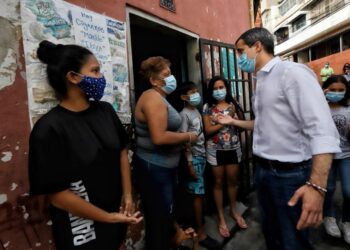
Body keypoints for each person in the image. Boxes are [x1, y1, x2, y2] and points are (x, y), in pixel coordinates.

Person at [216, 28, 340, 250]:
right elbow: (265, 125)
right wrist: (233, 123)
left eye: (240, 51)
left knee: (293, 242)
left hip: (291, 175)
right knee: (273, 238)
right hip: (264, 174)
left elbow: (322, 130)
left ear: (257, 47)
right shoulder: (261, 81)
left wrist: (316, 186)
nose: (238, 58)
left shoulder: (291, 73)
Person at [28, 41, 142, 250]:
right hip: (81, 229)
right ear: (72, 77)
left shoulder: (106, 111)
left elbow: (121, 151)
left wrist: (127, 195)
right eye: (95, 71)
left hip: (115, 215)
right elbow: (58, 196)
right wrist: (107, 218)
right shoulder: (49, 129)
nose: (101, 78)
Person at [133, 56, 198, 250]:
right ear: (154, 80)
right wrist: (188, 137)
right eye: (166, 75)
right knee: (160, 221)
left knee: (165, 216)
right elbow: (159, 137)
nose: (171, 78)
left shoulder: (160, 98)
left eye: (171, 73)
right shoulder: (153, 98)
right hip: (155, 168)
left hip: (164, 167)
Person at [203, 76, 247, 238]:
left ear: (227, 89)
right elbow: (208, 131)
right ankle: (221, 217)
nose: (219, 91)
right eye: (215, 88)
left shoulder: (234, 105)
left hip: (233, 149)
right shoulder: (208, 107)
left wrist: (235, 120)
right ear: (211, 91)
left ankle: (233, 211)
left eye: (221, 87)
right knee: (218, 183)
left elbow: (243, 127)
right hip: (215, 150)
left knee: (232, 182)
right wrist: (225, 121)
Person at [178, 82, 220, 249]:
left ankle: (197, 229)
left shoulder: (196, 111)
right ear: (184, 97)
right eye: (192, 92)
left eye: (197, 91)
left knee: (199, 195)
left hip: (201, 157)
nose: (196, 95)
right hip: (193, 159)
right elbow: (184, 141)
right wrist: (189, 163)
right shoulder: (183, 115)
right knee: (196, 196)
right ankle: (200, 233)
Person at [322, 75, 350, 244]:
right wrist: (319, 97)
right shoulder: (320, 107)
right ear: (325, 89)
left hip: (347, 154)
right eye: (332, 90)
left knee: (349, 191)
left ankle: (347, 221)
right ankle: (329, 216)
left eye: (341, 90)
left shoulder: (348, 108)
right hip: (326, 155)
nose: (337, 93)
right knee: (329, 188)